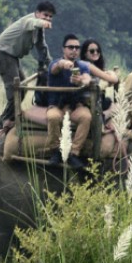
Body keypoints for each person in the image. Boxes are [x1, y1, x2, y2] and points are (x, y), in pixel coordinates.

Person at [40, 34, 120, 169]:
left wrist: (83, 81)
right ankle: (56, 151)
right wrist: (64, 64)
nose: (74, 50)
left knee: (86, 117)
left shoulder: (82, 66)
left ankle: (74, 153)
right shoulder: (55, 63)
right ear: (63, 49)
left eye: (77, 47)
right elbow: (56, 68)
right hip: (57, 105)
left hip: (75, 106)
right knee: (52, 117)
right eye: (71, 47)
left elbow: (87, 77)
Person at [0, 1, 54, 130]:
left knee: (23, 88)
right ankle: (4, 122)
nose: (48, 18)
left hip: (13, 56)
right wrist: (42, 22)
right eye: (45, 15)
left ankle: (9, 118)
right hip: (4, 52)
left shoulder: (39, 30)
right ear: (37, 13)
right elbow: (33, 23)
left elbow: (42, 47)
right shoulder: (29, 20)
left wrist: (51, 64)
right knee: (15, 90)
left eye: (50, 17)